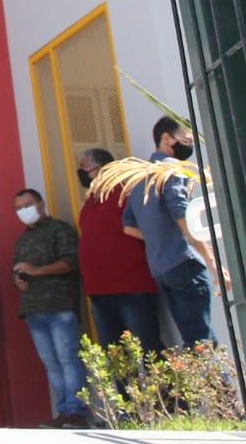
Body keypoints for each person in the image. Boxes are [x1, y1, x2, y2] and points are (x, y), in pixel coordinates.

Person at [122, 117, 230, 346]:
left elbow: (129, 227)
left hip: (160, 268)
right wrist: (214, 263)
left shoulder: (139, 177)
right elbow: (183, 217)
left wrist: (158, 236)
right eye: (186, 139)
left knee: (191, 337)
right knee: (202, 339)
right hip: (184, 262)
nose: (190, 144)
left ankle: (205, 381)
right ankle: (216, 382)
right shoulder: (172, 170)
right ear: (167, 138)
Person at [10, 189, 90, 428]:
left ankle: (77, 412)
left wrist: (36, 271)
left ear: (41, 204)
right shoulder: (23, 239)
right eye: (19, 207)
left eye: (28, 204)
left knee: (68, 360)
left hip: (60, 306)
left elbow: (72, 261)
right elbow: (14, 269)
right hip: (33, 309)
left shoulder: (60, 230)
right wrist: (18, 279)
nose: (24, 210)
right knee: (52, 364)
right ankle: (65, 411)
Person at [76, 147, 162, 351]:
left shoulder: (125, 193)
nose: (81, 173)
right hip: (99, 292)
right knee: (115, 357)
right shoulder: (90, 202)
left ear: (103, 168)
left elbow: (146, 230)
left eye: (85, 168)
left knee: (148, 350)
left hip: (131, 288)